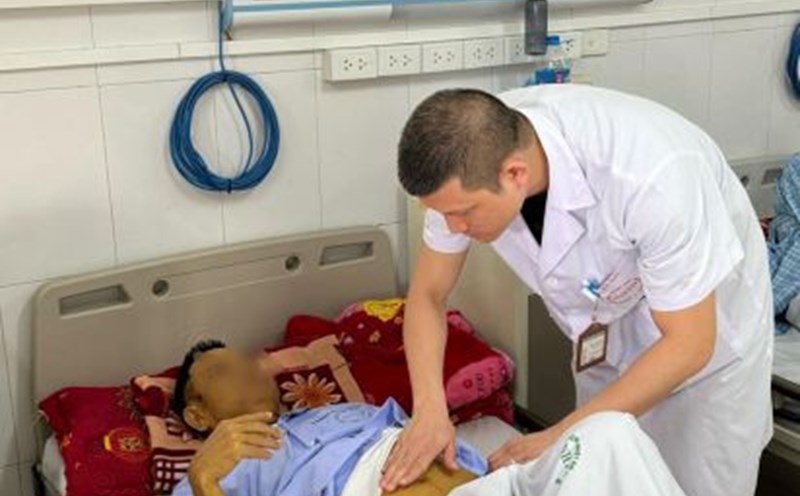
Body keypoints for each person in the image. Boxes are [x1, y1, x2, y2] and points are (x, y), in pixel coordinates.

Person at [380, 84, 774, 496]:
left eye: (463, 215)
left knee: (695, 486)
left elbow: (690, 344)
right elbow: (428, 295)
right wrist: (428, 409)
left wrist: (559, 436)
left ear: (515, 173)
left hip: (704, 358)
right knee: (597, 477)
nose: (453, 228)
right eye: (444, 215)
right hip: (610, 330)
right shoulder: (467, 160)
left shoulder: (650, 176)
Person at [169, 340, 485, 496]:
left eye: (247, 361)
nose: (248, 370)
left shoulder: (340, 411)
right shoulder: (217, 467)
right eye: (222, 371)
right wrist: (203, 479)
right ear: (197, 416)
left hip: (465, 474)